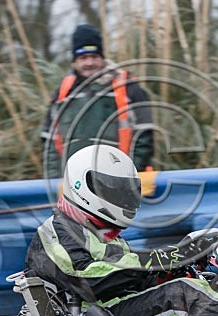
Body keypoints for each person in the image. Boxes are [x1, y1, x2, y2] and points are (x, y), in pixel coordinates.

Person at [24, 144, 218, 316]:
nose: (120, 196)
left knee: (214, 279)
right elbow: (88, 279)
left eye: (122, 189)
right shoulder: (54, 232)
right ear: (84, 187)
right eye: (111, 189)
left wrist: (173, 267)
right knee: (182, 291)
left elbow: (133, 279)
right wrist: (164, 260)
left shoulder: (102, 234)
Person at [41, 24, 156, 194]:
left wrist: (124, 178)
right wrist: (56, 183)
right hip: (76, 189)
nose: (89, 63)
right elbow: (49, 143)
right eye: (83, 57)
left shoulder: (129, 88)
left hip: (122, 188)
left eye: (94, 56)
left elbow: (145, 139)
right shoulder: (62, 93)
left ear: (102, 58)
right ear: (74, 60)